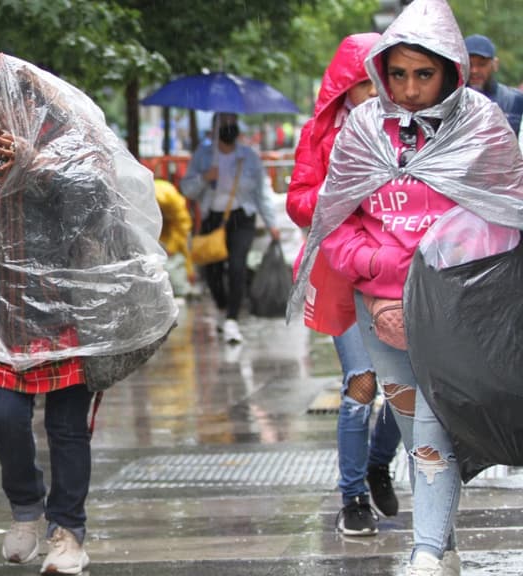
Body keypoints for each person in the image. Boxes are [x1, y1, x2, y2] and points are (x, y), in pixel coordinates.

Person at [0, 53, 176, 575]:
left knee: (66, 427)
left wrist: (34, 163)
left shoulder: (72, 146)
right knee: (4, 417)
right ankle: (25, 509)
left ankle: (68, 532)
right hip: (7, 321)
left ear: (21, 104)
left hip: (68, 316)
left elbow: (96, 208)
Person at [288, 1, 523, 573]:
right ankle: (431, 544)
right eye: (398, 74)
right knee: (420, 428)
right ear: (380, 73)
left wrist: (414, 285)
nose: (411, 88)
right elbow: (332, 221)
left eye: (424, 74)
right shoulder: (363, 130)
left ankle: (429, 544)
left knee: (448, 425)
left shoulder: (484, 126)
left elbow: (501, 220)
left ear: (450, 69)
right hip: (379, 310)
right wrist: (381, 281)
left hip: (459, 308)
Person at [287, 32, 403, 537]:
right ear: (344, 90)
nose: (374, 95)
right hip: (341, 273)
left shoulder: (412, 131)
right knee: (362, 384)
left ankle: (378, 462)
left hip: (398, 275)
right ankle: (352, 494)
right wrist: (342, 192)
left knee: (407, 387)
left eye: (382, 84)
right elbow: (298, 203)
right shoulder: (319, 135)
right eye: (363, 85)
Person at [181, 113, 281, 345]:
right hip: (212, 218)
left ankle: (232, 320)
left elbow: (262, 192)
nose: (229, 127)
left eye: (232, 123)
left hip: (241, 218)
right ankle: (223, 306)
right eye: (224, 123)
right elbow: (187, 189)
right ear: (215, 128)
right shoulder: (203, 155)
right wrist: (206, 177)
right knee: (212, 271)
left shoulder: (248, 157)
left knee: (237, 266)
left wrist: (271, 222)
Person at [463, 34, 523, 135]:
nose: (474, 70)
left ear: (495, 64)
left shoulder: (515, 100)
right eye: (469, 64)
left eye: (482, 64)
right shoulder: (452, 101)